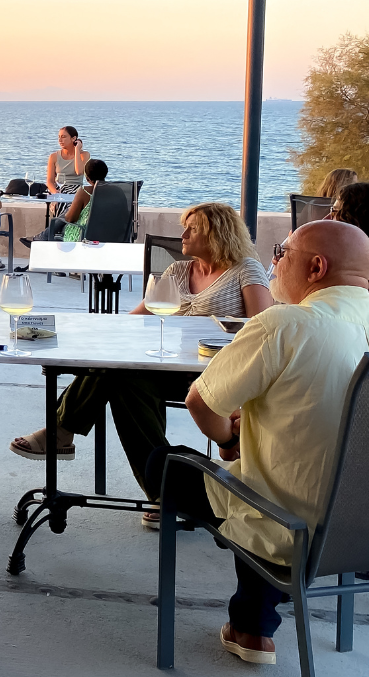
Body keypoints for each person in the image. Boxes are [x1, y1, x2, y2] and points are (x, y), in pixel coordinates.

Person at [147, 220, 369, 665]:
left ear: (316, 267)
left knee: (167, 465)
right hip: (356, 532)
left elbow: (200, 403)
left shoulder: (284, 325)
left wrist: (230, 439)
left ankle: (252, 625)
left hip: (293, 530)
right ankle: (253, 623)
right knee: (278, 470)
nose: (273, 262)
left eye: (281, 253)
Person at [10, 204, 272, 517]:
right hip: (171, 370)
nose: (183, 235)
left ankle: (61, 431)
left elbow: (264, 329)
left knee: (119, 376)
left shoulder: (245, 270)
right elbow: (135, 320)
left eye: (192, 229)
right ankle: (164, 494)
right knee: (119, 372)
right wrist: (88, 332)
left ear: (217, 234)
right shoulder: (177, 272)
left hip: (218, 377)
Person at [20, 158, 108, 246]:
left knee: (62, 218)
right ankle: (41, 237)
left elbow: (70, 219)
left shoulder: (85, 191)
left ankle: (40, 238)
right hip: (106, 234)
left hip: (83, 235)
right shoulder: (114, 191)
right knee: (68, 210)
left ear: (87, 178)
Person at [47, 126, 89, 197]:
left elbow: (79, 172)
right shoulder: (53, 156)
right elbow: (50, 181)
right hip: (58, 189)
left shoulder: (84, 155)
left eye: (63, 137)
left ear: (73, 138)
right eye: (59, 137)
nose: (60, 140)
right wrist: (55, 192)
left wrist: (77, 149)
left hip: (76, 190)